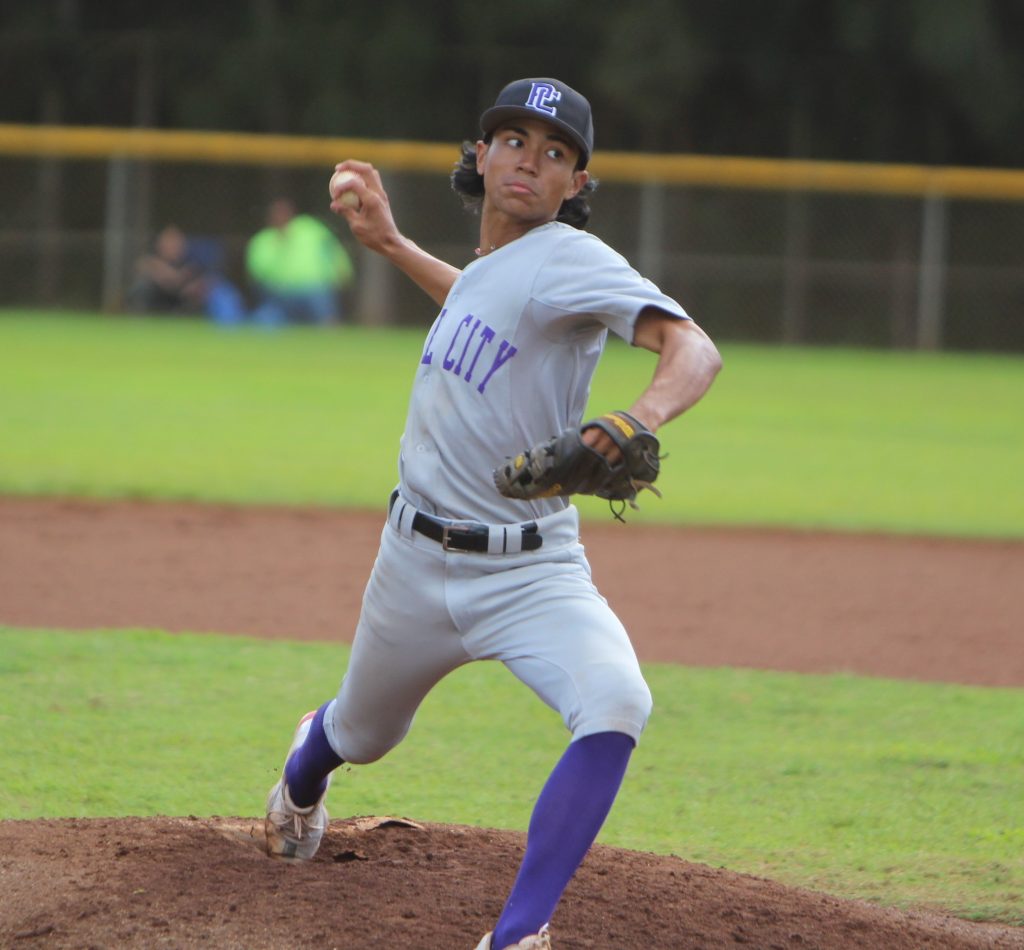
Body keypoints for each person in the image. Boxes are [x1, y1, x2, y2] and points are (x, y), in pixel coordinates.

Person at [264, 77, 722, 949]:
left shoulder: (572, 261)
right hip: (413, 561)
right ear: (480, 156)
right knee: (360, 733)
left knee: (618, 699)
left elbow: (695, 348)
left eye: (556, 154)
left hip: (530, 569)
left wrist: (639, 417)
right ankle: (303, 768)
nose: (530, 161)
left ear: (575, 185)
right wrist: (394, 245)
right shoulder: (495, 270)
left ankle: (519, 934)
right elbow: (479, 305)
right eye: (513, 140)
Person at [245, 198, 355, 326]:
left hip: (314, 289)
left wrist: (344, 274)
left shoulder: (310, 230)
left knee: (323, 308)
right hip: (280, 292)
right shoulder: (263, 240)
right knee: (266, 320)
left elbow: (333, 251)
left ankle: (330, 329)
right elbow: (256, 273)